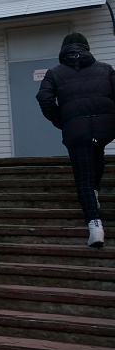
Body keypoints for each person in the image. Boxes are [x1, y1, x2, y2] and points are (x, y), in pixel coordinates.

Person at [35, 32, 115, 248]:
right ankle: (94, 194)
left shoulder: (54, 72)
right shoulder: (105, 68)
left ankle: (95, 226)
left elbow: (44, 98)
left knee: (83, 177)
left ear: (63, 50)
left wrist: (63, 120)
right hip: (104, 128)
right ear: (86, 47)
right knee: (97, 153)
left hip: (76, 130)